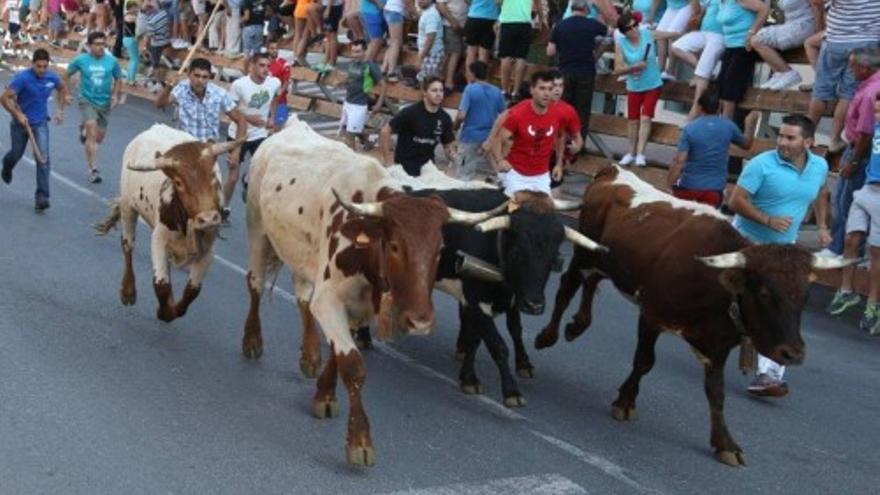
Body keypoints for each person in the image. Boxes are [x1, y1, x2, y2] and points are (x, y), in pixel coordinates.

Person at [727, 114, 830, 397]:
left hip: (786, 249)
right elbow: (735, 200)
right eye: (780, 136)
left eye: (790, 137)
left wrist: (822, 225)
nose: (782, 142)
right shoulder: (762, 164)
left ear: (808, 142)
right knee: (734, 303)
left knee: (779, 306)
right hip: (749, 242)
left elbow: (821, 193)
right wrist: (767, 220)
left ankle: (769, 375)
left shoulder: (819, 165)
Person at [156, 57, 248, 221]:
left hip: (208, 151)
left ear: (210, 77)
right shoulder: (180, 89)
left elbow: (241, 120)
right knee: (177, 189)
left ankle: (217, 211)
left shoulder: (219, 94)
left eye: (205, 77)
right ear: (189, 75)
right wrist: (169, 86)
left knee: (210, 191)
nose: (200, 80)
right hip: (185, 150)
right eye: (197, 76)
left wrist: (237, 151)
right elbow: (159, 104)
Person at [825, 95, 880, 335]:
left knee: (877, 253)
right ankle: (846, 291)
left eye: (879, 111)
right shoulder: (876, 127)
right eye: (876, 111)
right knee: (851, 239)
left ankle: (873, 305)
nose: (875, 116)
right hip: (867, 188)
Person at [824, 48, 880, 256]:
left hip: (860, 150)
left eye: (853, 66)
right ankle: (847, 249)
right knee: (846, 199)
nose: (850, 69)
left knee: (844, 201)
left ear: (865, 68)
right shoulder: (871, 85)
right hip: (862, 149)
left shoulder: (869, 93)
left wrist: (854, 162)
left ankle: (838, 248)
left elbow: (866, 134)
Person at [490, 71, 578, 196]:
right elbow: (498, 139)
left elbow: (560, 137)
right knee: (513, 210)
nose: (547, 93)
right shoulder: (518, 115)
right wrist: (499, 160)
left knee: (543, 212)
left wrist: (558, 164)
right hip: (516, 175)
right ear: (532, 90)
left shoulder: (558, 114)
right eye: (542, 88)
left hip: (542, 176)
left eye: (550, 89)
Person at [808, 0, 880, 153]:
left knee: (821, 91)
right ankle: (834, 139)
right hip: (866, 42)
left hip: (835, 40)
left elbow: (817, 2)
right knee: (848, 94)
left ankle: (806, 135)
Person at [0, 49, 67, 211]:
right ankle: (7, 166)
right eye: (39, 66)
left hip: (40, 123)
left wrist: (59, 110)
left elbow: (62, 89)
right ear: (32, 64)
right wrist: (17, 114)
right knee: (16, 154)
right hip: (20, 124)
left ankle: (42, 197)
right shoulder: (22, 78)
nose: (42, 70)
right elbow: (4, 98)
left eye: (45, 66)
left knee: (43, 158)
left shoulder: (52, 77)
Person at [667, 92, 759, 207]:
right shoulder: (728, 126)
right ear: (719, 107)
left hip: (689, 187)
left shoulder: (690, 129)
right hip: (714, 190)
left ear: (700, 108)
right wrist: (750, 123)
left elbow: (679, 160)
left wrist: (668, 186)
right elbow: (746, 144)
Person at [64, 30, 122, 184]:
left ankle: (84, 125)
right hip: (87, 100)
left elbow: (118, 78)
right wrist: (66, 93)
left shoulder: (112, 61)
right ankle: (93, 170)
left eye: (103, 44)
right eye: (97, 44)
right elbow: (66, 74)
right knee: (91, 131)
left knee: (99, 137)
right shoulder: (81, 60)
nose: (100, 47)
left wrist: (115, 95)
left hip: (104, 102)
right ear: (89, 46)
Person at [547, 0, 608, 141]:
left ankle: (560, 142)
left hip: (565, 71)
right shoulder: (592, 25)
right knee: (582, 110)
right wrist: (596, 53)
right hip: (586, 71)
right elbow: (608, 36)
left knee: (563, 107)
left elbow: (550, 51)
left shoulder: (560, 25)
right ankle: (578, 143)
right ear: (586, 10)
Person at [229, 52, 282, 202]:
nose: (266, 69)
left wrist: (272, 116)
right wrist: (248, 118)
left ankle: (247, 179)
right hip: (238, 134)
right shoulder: (239, 85)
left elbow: (276, 97)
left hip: (260, 134)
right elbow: (229, 109)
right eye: (261, 65)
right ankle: (224, 207)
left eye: (268, 66)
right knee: (232, 177)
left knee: (262, 167)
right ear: (252, 66)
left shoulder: (274, 82)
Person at [613, 11, 663, 167]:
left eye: (636, 25)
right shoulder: (621, 42)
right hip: (634, 85)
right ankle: (631, 152)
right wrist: (634, 67)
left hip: (652, 83)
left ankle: (641, 154)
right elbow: (617, 69)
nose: (635, 29)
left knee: (646, 117)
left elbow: (667, 35)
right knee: (633, 120)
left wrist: (686, 30)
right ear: (625, 32)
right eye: (631, 27)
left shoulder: (647, 33)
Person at [379, 76, 456, 176]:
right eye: (434, 90)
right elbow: (385, 131)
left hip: (427, 170)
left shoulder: (444, 118)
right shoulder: (410, 112)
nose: (438, 94)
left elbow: (448, 144)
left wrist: (452, 154)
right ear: (424, 92)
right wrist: (388, 161)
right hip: (404, 169)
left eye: (441, 91)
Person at [669, 0, 726, 120]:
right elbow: (700, 10)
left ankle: (695, 109)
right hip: (704, 32)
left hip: (720, 35)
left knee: (702, 74)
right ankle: (705, 72)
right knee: (677, 46)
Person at [454, 60, 505, 181]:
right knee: (497, 169)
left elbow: (462, 115)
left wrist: (455, 126)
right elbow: (504, 114)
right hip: (490, 137)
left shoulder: (470, 89)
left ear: (473, 74)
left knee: (464, 173)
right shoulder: (497, 91)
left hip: (470, 136)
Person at [716, 0, 768, 118]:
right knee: (720, 85)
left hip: (744, 46)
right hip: (730, 46)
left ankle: (725, 124)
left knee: (730, 86)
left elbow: (764, 9)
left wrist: (752, 31)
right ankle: (717, 122)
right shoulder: (721, 2)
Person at [751, 0, 815, 90]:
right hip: (791, 25)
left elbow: (818, 7)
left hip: (804, 25)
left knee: (757, 40)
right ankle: (779, 73)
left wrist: (818, 30)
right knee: (757, 38)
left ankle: (787, 72)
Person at [340, 38, 385, 150]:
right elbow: (350, 78)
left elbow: (383, 84)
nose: (355, 55)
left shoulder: (370, 66)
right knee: (348, 130)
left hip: (359, 104)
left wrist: (379, 103)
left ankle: (351, 158)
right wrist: (341, 82)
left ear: (365, 51)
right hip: (348, 102)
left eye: (358, 52)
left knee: (350, 135)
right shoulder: (352, 64)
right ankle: (370, 139)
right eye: (353, 51)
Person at [498, 0, 545, 100]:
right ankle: (515, 92)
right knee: (521, 57)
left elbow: (497, 2)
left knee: (505, 56)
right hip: (524, 22)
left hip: (507, 21)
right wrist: (541, 19)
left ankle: (504, 91)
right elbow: (537, 4)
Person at [647, 0, 694, 81]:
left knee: (671, 33)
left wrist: (692, 21)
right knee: (659, 33)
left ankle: (670, 72)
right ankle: (660, 69)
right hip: (672, 7)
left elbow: (695, 4)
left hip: (687, 6)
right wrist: (651, 16)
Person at [436, 0, 466, 94]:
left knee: (454, 52)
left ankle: (443, 78)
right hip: (450, 25)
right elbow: (440, 5)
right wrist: (452, 21)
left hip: (460, 26)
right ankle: (448, 81)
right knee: (454, 52)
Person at [142, 0, 171, 92]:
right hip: (166, 40)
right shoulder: (163, 13)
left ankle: (158, 84)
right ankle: (150, 79)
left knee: (155, 65)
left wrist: (144, 48)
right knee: (154, 61)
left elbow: (149, 37)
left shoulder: (151, 21)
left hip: (157, 44)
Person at [463, 0, 498, 72]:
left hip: (473, 16)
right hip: (490, 18)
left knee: (471, 54)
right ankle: (480, 80)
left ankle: (470, 82)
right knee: (484, 55)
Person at [381, 0, 411, 81]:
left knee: (394, 42)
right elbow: (407, 2)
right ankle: (391, 73)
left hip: (390, 10)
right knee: (396, 43)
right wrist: (415, 13)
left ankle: (383, 70)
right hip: (395, 11)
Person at [415, 0, 444, 83]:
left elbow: (430, 38)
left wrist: (421, 57)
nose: (419, 1)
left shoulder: (431, 14)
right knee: (424, 81)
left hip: (431, 54)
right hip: (428, 53)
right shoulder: (427, 12)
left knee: (429, 83)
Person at [266, 37, 291, 128]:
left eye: (277, 48)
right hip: (265, 102)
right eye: (272, 48)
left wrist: (279, 94)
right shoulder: (263, 63)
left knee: (278, 127)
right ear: (267, 49)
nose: (275, 51)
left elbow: (286, 82)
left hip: (280, 101)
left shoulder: (284, 64)